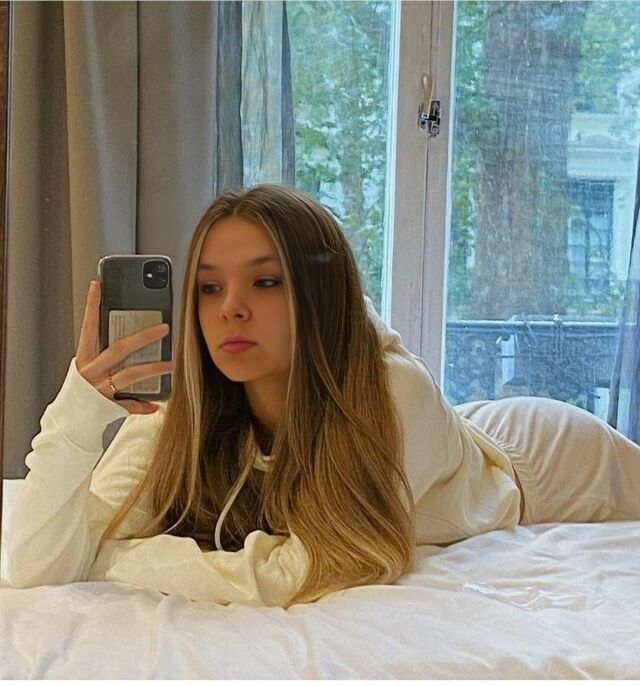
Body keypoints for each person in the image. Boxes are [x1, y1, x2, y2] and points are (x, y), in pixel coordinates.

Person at [6, 184, 640, 608]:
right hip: (448, 443)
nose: (230, 309)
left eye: (266, 282)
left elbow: (304, 570)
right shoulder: (186, 406)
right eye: (209, 287)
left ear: (320, 294)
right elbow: (38, 565)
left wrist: (113, 561)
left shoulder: (391, 392)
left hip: (549, 463)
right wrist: (79, 411)